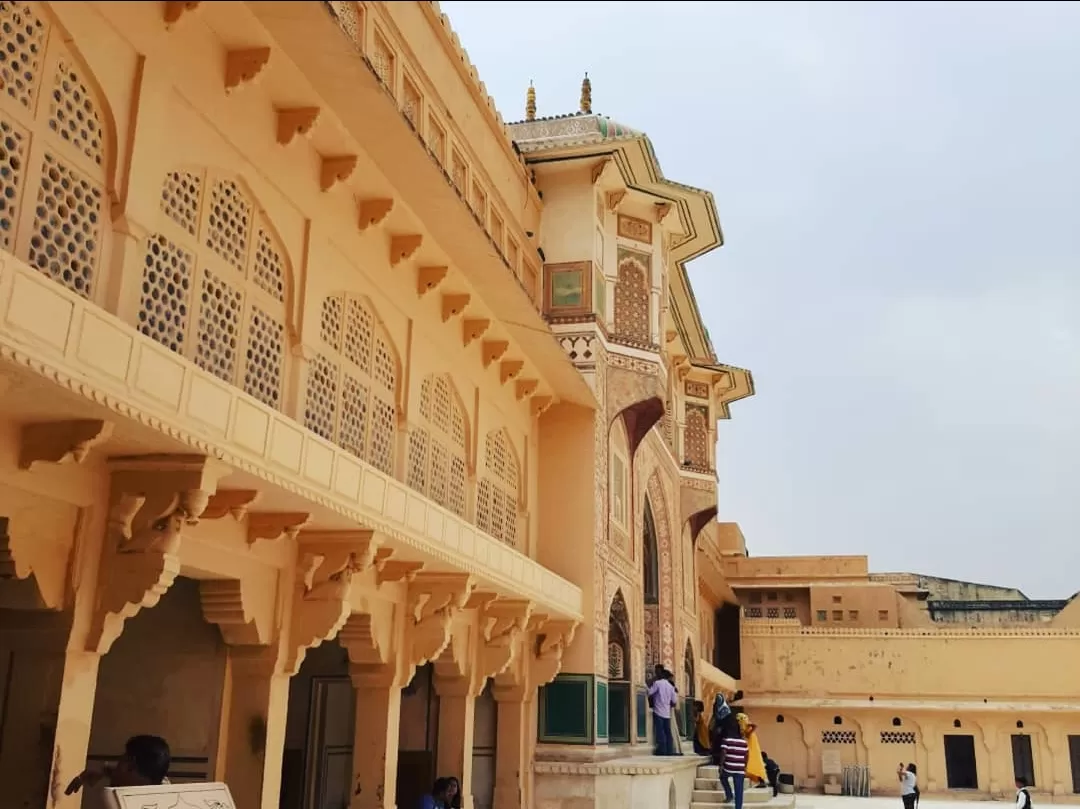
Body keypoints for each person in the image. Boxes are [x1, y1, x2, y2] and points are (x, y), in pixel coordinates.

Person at [64, 735, 171, 796]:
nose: (117, 766)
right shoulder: (163, 789)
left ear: (130, 765)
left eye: (122, 759)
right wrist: (106, 771)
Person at [719, 713, 749, 809]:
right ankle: (738, 807)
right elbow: (747, 755)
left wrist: (721, 765)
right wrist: (744, 766)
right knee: (739, 790)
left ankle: (729, 795)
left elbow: (723, 752)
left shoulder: (726, 740)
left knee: (722, 777)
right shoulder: (744, 742)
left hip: (729, 767)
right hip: (740, 769)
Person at [647, 664, 678, 755]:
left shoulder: (657, 683)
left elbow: (650, 692)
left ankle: (662, 750)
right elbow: (674, 701)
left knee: (660, 732)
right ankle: (669, 750)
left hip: (658, 711)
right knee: (668, 732)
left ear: (661, 674)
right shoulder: (670, 686)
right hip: (666, 713)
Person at [737, 712, 767, 787]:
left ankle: (761, 781)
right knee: (752, 763)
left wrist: (749, 725)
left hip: (752, 748)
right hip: (752, 747)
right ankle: (760, 781)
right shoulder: (744, 729)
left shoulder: (746, 729)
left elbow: (754, 726)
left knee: (753, 763)